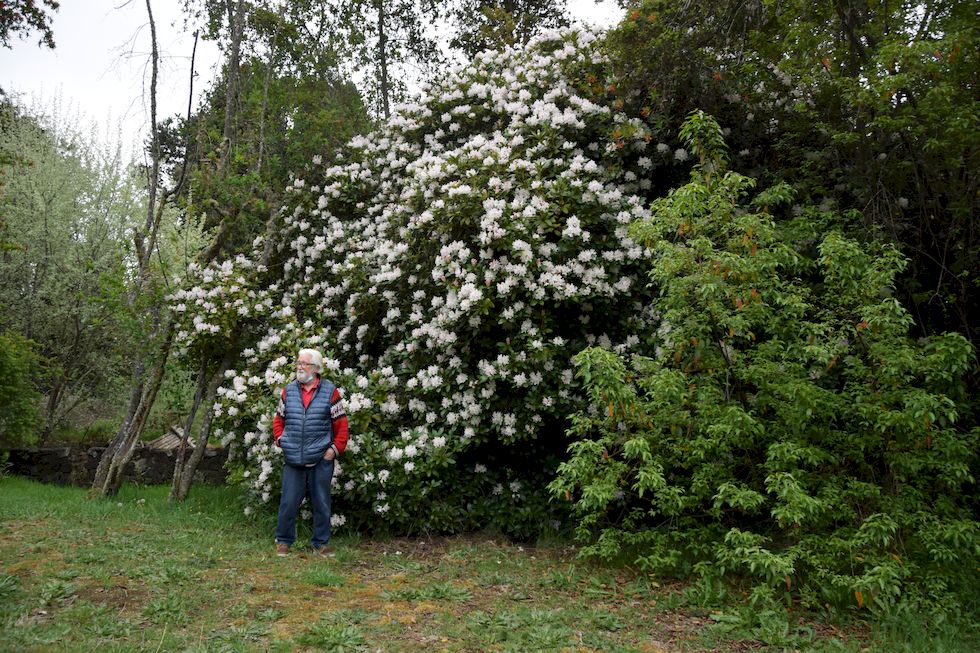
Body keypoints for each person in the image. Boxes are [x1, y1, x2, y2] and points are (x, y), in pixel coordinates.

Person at [272, 348, 349, 557]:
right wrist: (281, 440)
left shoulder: (330, 392)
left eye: (304, 363)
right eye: (298, 363)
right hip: (293, 458)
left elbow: (341, 426)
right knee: (288, 502)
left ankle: (321, 543)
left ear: (315, 368)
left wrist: (333, 450)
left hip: (321, 458)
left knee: (322, 503)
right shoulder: (288, 391)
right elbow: (279, 420)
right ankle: (284, 541)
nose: (299, 367)